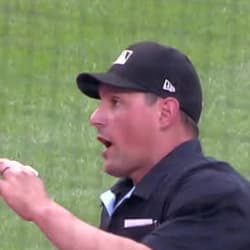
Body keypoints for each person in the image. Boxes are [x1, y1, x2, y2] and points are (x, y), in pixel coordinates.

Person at [0, 41, 250, 250]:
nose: (95, 118)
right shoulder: (127, 199)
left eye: (116, 102)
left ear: (165, 113)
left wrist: (42, 208)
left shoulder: (218, 193)